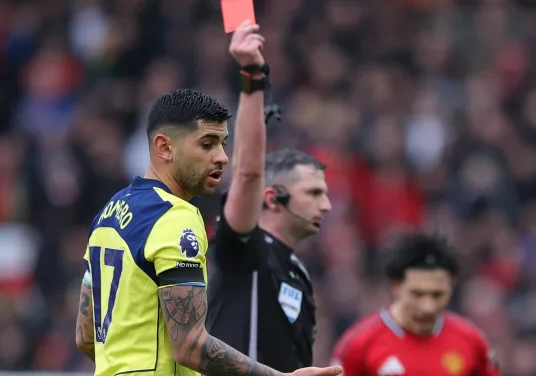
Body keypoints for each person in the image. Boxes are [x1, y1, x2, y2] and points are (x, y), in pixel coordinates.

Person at [74, 21, 343, 376]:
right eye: (207, 144)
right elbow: (189, 345)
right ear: (164, 147)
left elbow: (85, 336)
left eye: (222, 144)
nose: (222, 157)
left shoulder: (108, 214)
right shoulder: (175, 218)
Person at [205, 20, 332, 371]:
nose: (326, 205)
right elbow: (247, 173)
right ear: (273, 198)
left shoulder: (298, 271)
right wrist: (252, 76)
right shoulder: (244, 247)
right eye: (314, 193)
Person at [329, 232, 500, 376]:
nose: (428, 307)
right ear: (396, 287)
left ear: (452, 287)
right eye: (418, 294)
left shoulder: (472, 342)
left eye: (437, 295)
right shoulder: (359, 344)